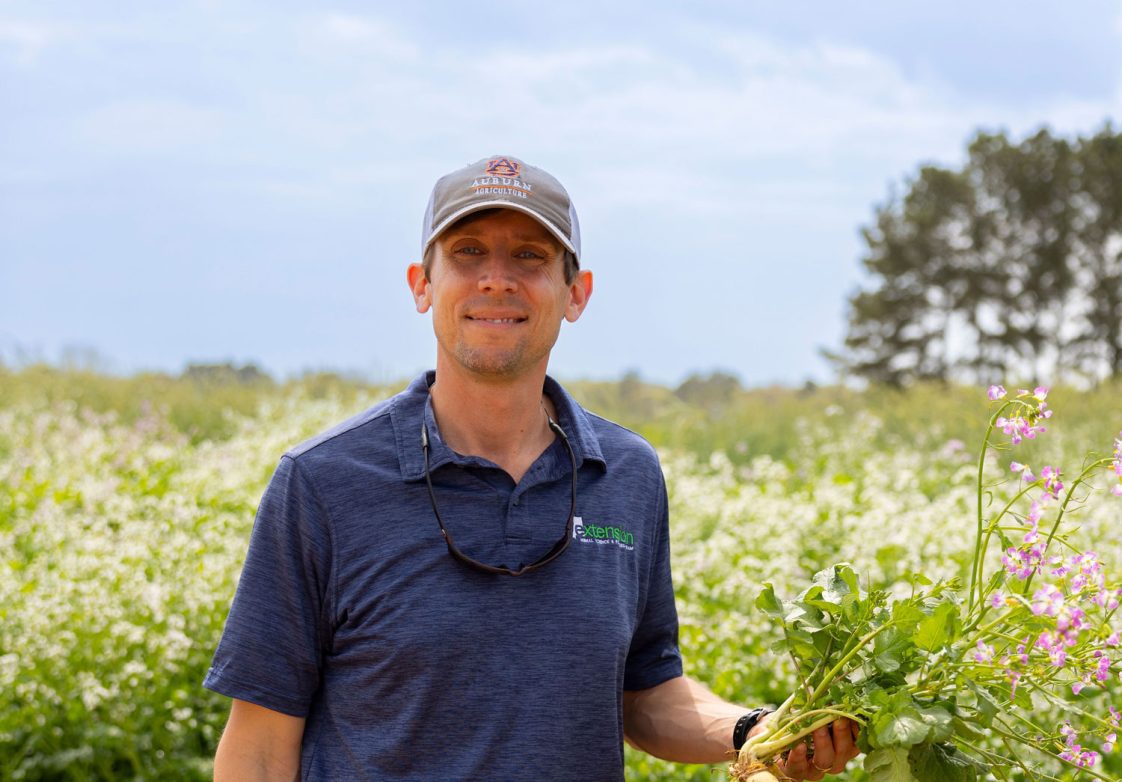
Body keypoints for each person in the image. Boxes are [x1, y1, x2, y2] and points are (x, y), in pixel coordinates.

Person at [204, 155, 859, 781]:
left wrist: (753, 731)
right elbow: (259, 748)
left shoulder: (625, 476)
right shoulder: (322, 482)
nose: (496, 278)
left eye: (530, 256)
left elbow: (645, 692)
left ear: (576, 293)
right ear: (421, 285)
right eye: (467, 253)